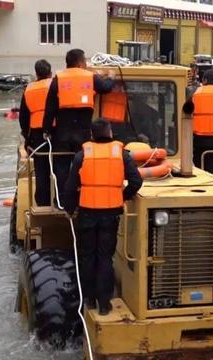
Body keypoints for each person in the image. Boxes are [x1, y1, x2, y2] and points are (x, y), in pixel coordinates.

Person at [64, 119, 143, 315]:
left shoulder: (82, 155)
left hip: (87, 213)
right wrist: (121, 196)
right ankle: (105, 304)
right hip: (110, 214)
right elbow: (136, 181)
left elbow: (70, 186)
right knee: (105, 258)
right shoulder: (121, 155)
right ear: (109, 132)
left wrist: (69, 208)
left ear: (91, 135)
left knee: (88, 256)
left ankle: (89, 300)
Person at [42, 49, 115, 208]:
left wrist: (46, 130)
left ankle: (61, 201)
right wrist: (110, 76)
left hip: (62, 133)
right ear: (80, 63)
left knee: (61, 168)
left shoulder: (58, 79)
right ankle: (82, 198)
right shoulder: (90, 77)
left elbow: (50, 109)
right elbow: (106, 87)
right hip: (83, 134)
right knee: (83, 166)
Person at [18, 59, 53, 206]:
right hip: (56, 133)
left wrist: (27, 138)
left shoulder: (29, 89)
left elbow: (23, 118)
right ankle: (60, 200)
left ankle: (42, 203)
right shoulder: (55, 85)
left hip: (38, 138)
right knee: (60, 168)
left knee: (41, 171)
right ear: (50, 72)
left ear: (36, 74)